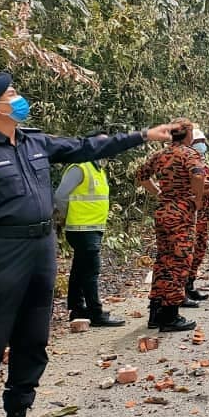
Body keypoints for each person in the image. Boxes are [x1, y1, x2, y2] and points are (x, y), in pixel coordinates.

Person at [0, 72, 178, 417]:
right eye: (11, 94)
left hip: (41, 249)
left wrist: (142, 136)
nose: (19, 98)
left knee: (33, 339)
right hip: (1, 254)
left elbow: (87, 147)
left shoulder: (35, 141)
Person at [135, 120, 206, 333]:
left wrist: (158, 192)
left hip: (163, 211)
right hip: (181, 212)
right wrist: (197, 197)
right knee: (180, 262)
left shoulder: (160, 155)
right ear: (188, 134)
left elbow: (141, 175)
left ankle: (155, 311)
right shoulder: (189, 154)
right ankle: (171, 315)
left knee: (163, 260)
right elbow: (198, 175)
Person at [53, 135, 124, 327]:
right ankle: (96, 313)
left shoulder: (97, 168)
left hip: (92, 228)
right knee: (91, 271)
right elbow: (59, 195)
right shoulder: (80, 166)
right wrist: (68, 215)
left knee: (80, 269)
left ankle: (77, 309)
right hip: (81, 228)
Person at [186, 128, 209, 302]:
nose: (202, 146)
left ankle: (190, 284)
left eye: (203, 142)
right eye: (199, 142)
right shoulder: (188, 163)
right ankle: (182, 289)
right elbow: (194, 187)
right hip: (191, 214)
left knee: (199, 249)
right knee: (188, 251)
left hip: (204, 215)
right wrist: (207, 190)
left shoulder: (203, 163)